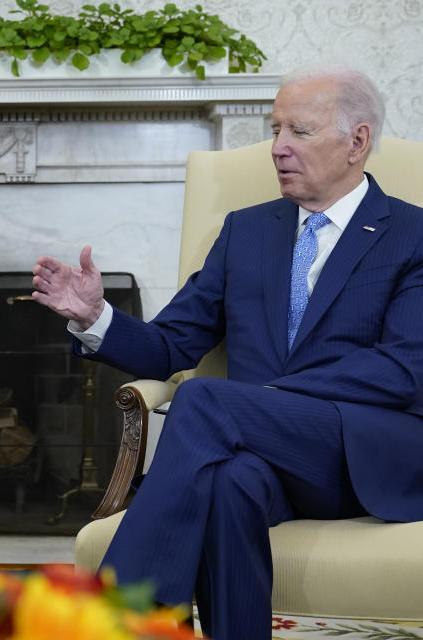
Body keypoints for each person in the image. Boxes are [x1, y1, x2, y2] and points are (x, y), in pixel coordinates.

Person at [32, 64, 423, 640]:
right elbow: (172, 345)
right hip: (254, 451)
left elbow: (403, 368)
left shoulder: (411, 234)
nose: (279, 148)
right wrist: (96, 316)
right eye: (275, 130)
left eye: (300, 131)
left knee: (208, 402)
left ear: (357, 141)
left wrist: (257, 401)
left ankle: (117, 620)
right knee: (229, 481)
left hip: (360, 452)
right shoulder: (246, 231)